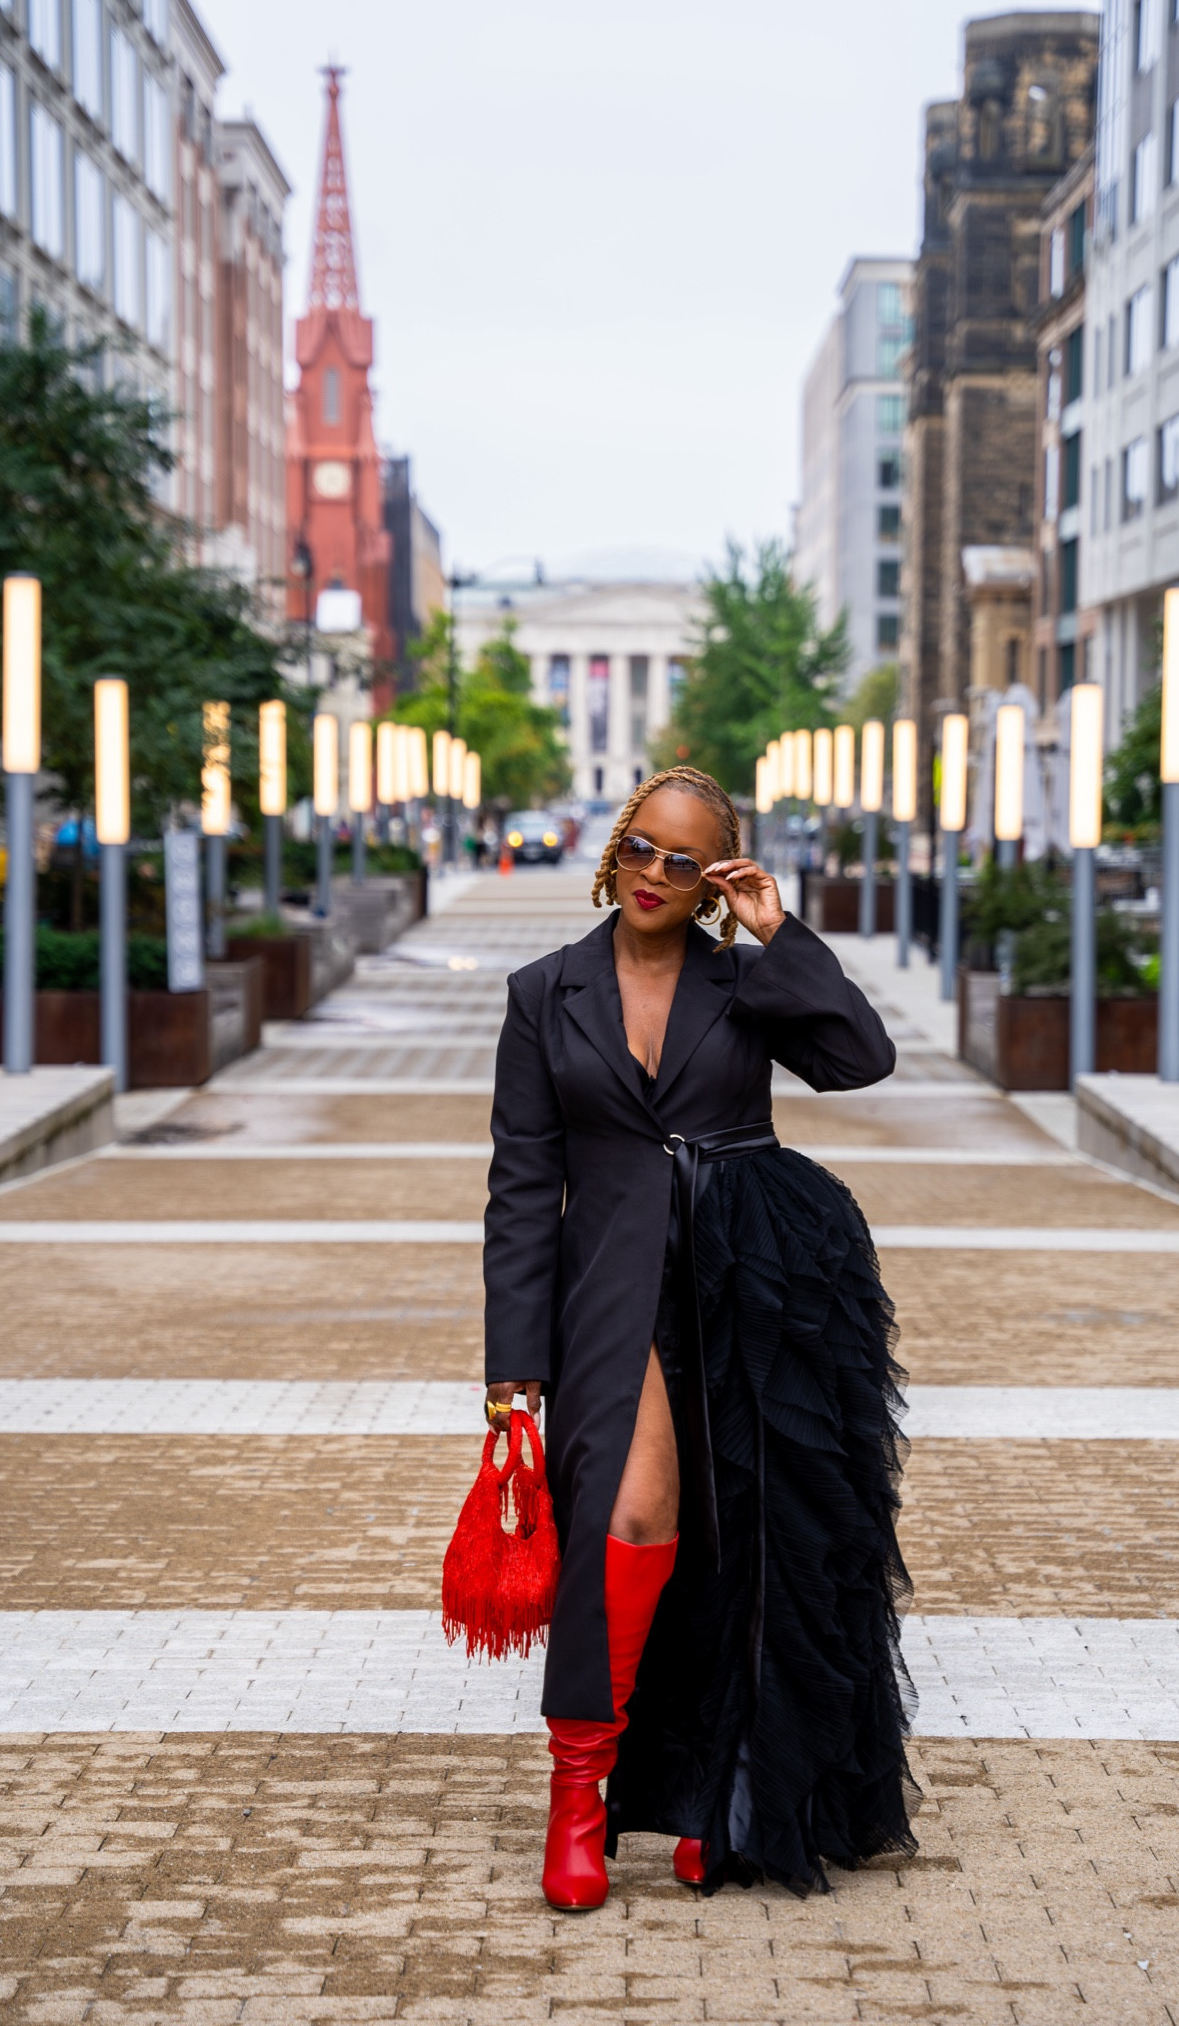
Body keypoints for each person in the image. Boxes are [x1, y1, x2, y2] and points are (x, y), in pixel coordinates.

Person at [483, 767, 917, 1908]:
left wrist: (780, 933)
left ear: (714, 878)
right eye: (640, 847)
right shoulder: (543, 993)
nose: (654, 873)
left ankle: (721, 1793)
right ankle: (578, 1792)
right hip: (611, 1287)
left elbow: (861, 1058)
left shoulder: (745, 981)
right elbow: (521, 1188)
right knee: (630, 1512)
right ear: (613, 848)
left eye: (684, 860)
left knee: (742, 1538)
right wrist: (512, 1370)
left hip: (752, 1276)